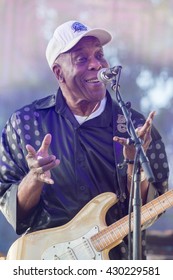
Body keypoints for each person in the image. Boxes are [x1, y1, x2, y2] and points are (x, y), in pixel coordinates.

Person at [0, 20, 169, 260]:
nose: (96, 65)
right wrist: (34, 178)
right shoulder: (26, 124)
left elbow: (149, 212)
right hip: (48, 262)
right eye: (81, 59)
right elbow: (11, 208)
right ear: (59, 73)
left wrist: (134, 164)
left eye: (99, 55)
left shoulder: (136, 127)